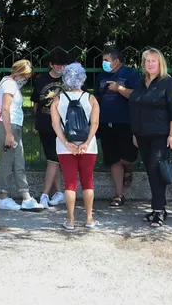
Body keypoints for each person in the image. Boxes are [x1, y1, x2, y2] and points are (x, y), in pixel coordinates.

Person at [122, 49, 172, 228]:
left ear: (160, 62)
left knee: (156, 171)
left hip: (160, 135)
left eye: (153, 61)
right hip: (141, 135)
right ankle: (160, 208)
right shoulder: (142, 83)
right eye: (147, 61)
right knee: (151, 172)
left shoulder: (168, 83)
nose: (150, 64)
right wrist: (135, 133)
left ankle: (158, 211)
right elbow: (135, 107)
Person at [50, 63, 100, 229]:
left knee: (70, 183)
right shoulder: (91, 99)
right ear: (82, 77)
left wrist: (66, 143)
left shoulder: (58, 99)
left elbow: (55, 125)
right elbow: (95, 123)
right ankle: (89, 218)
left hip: (65, 147)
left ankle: (70, 220)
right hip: (88, 147)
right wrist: (86, 142)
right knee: (88, 182)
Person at [0, 59, 43, 211]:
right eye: (26, 75)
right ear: (18, 73)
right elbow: (5, 109)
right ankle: (3, 197)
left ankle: (26, 196)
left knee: (18, 163)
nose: (28, 78)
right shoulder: (9, 84)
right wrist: (9, 133)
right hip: (8, 127)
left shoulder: (9, 83)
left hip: (12, 127)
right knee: (7, 163)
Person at [97, 47, 141, 207]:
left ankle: (127, 169)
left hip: (126, 122)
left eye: (106, 60)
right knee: (113, 159)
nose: (104, 63)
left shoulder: (131, 74)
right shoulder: (102, 76)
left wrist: (119, 88)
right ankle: (118, 195)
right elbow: (97, 97)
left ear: (116, 61)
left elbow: (137, 95)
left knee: (128, 157)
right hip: (105, 122)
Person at [31, 50, 67, 208]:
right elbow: (35, 103)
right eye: (57, 64)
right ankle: (59, 192)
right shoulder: (41, 80)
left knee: (54, 159)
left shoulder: (69, 78)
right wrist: (37, 120)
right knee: (53, 159)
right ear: (51, 65)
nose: (60, 67)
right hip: (45, 124)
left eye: (63, 64)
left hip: (64, 126)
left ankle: (45, 194)